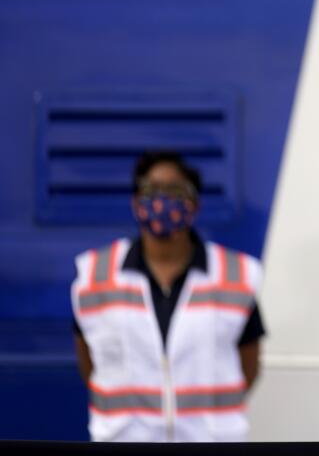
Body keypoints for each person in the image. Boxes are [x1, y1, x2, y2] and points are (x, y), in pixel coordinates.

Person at [70, 151, 265, 442]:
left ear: (194, 205)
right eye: (151, 190)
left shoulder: (235, 275)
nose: (162, 200)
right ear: (136, 203)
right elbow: (88, 363)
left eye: (175, 190)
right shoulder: (95, 277)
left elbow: (249, 364)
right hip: (124, 442)